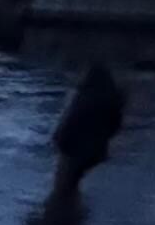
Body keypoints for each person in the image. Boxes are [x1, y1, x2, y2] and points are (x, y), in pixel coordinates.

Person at [49, 59, 126, 198]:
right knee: (72, 184)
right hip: (95, 152)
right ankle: (74, 211)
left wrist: (58, 140)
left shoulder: (84, 99)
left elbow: (69, 125)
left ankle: (61, 214)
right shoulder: (113, 100)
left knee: (62, 189)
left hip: (73, 149)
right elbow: (116, 126)